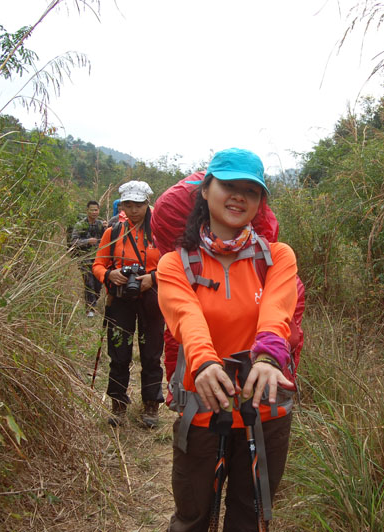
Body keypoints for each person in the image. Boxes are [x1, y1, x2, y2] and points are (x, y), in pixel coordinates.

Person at [157, 148, 298, 531]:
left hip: (264, 409)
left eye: (249, 191)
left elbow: (277, 310)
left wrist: (268, 356)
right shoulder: (175, 263)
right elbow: (186, 317)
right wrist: (204, 362)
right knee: (192, 517)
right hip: (202, 408)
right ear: (205, 190)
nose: (238, 196)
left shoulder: (277, 258)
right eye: (228, 185)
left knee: (249, 517)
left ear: (260, 202)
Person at [93, 181, 164, 428]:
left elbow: (174, 265)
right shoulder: (113, 232)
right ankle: (118, 405)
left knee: (152, 354)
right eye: (129, 205)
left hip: (152, 298)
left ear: (148, 204)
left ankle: (151, 406)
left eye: (139, 205)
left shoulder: (160, 232)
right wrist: (109, 275)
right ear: (122, 205)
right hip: (121, 298)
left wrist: (153, 278)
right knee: (119, 354)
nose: (134, 210)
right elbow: (98, 264)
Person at [70, 200, 106, 317]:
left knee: (98, 284)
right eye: (92, 210)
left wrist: (107, 228)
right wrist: (87, 242)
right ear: (87, 211)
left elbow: (108, 239)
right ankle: (90, 309)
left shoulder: (101, 225)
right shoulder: (80, 225)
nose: (94, 212)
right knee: (88, 282)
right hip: (84, 258)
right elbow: (74, 242)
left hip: (98, 259)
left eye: (96, 210)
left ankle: (92, 304)